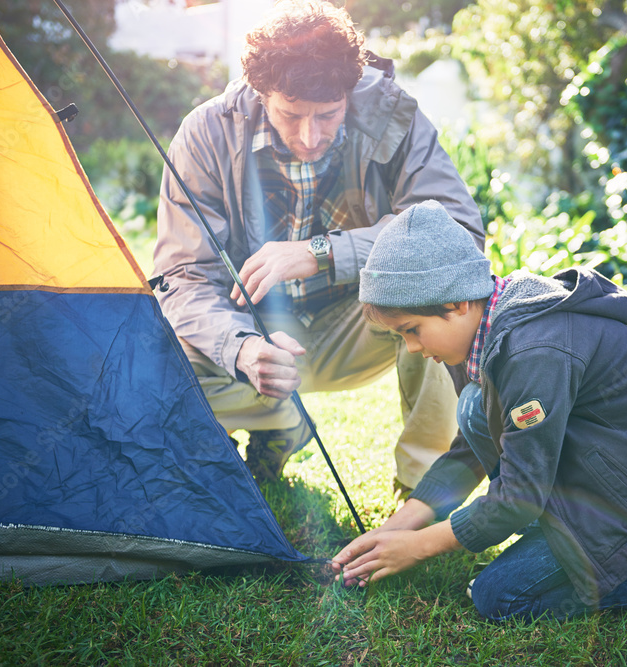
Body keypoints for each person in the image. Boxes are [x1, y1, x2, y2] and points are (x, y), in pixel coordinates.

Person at [330, 200, 627, 620]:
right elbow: (468, 452)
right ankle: (605, 534)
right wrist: (396, 530)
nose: (414, 349)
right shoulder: (485, 333)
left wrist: (420, 546)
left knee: (498, 597)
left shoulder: (532, 351)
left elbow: (518, 499)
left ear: (457, 303)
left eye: (412, 330)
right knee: (473, 409)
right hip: (601, 470)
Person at [152, 1, 484, 490]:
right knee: (152, 365)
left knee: (435, 293)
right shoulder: (205, 133)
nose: (309, 136)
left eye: (328, 115)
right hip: (255, 334)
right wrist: (241, 350)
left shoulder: (393, 112)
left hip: (362, 325)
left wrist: (321, 253)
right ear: (260, 92)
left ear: (349, 91)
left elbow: (458, 234)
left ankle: (424, 493)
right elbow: (183, 277)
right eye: (291, 115)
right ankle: (280, 424)